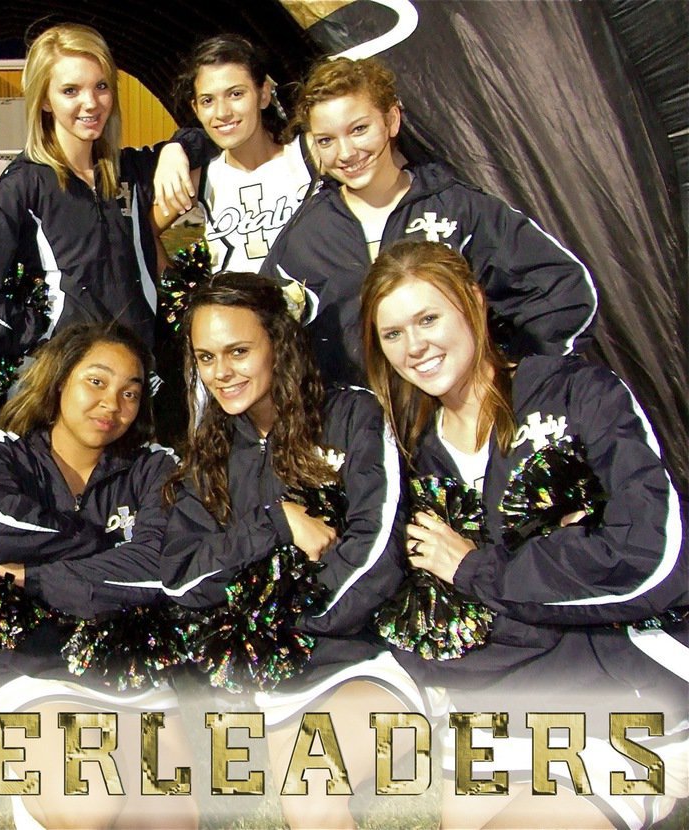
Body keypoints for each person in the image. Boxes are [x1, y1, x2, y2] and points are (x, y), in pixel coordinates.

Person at [362, 240, 687, 829]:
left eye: (428, 318)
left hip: (622, 690)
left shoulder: (579, 394)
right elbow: (420, 601)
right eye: (393, 334)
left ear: (473, 303)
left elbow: (651, 559)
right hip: (496, 696)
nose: (414, 347)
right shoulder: (411, 448)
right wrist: (560, 555)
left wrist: (476, 569)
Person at [160, 271, 422, 828]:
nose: (221, 372)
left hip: (359, 662)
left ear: (279, 343)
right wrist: (275, 523)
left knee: (310, 788)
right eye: (206, 357)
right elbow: (181, 580)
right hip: (266, 686)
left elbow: (377, 552)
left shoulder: (351, 416)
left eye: (238, 351)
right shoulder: (209, 454)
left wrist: (285, 627)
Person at [0, 323, 196, 830]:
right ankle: (33, 788)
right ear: (61, 380)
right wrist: (114, 552)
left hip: (127, 658)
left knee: (171, 818)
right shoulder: (5, 455)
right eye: (97, 381)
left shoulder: (156, 466)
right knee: (91, 800)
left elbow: (161, 565)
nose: (113, 403)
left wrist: (36, 576)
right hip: (33, 658)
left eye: (130, 392)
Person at [259, 55, 598, 387]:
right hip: (369, 421)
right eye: (326, 140)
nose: (346, 153)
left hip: (464, 413)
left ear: (392, 120)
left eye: (359, 129)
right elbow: (265, 334)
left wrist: (517, 376)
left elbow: (563, 290)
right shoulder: (304, 238)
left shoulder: (458, 208)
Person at [0, 23, 208, 367]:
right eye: (70, 90)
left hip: (138, 376)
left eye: (101, 86)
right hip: (68, 382)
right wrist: (43, 333)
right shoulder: (25, 185)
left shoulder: (129, 171)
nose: (90, 103)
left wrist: (177, 148)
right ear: (44, 101)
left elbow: (215, 134)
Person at [153, 34, 313, 274]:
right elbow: (143, 233)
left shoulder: (310, 158)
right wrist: (177, 288)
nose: (222, 112)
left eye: (236, 94)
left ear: (264, 94)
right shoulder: (199, 180)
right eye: (207, 100)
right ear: (195, 108)